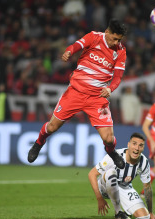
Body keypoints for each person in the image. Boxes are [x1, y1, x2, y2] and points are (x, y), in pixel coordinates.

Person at [27, 19, 127, 169]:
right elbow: (77, 45)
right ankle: (39, 142)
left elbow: (118, 77)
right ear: (107, 32)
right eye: (114, 38)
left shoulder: (120, 51)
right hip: (75, 92)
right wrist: (69, 51)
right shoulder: (94, 37)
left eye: (119, 39)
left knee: (108, 138)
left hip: (97, 98)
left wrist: (110, 89)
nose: (116, 42)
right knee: (52, 127)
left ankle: (112, 152)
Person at [88, 132, 155, 219]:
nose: (137, 148)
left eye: (140, 145)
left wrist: (150, 212)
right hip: (104, 186)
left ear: (143, 148)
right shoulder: (115, 156)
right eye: (134, 144)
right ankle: (118, 212)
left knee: (144, 217)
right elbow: (92, 174)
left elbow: (147, 187)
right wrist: (99, 198)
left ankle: (127, 212)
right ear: (128, 144)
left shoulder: (144, 162)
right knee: (111, 173)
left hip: (124, 187)